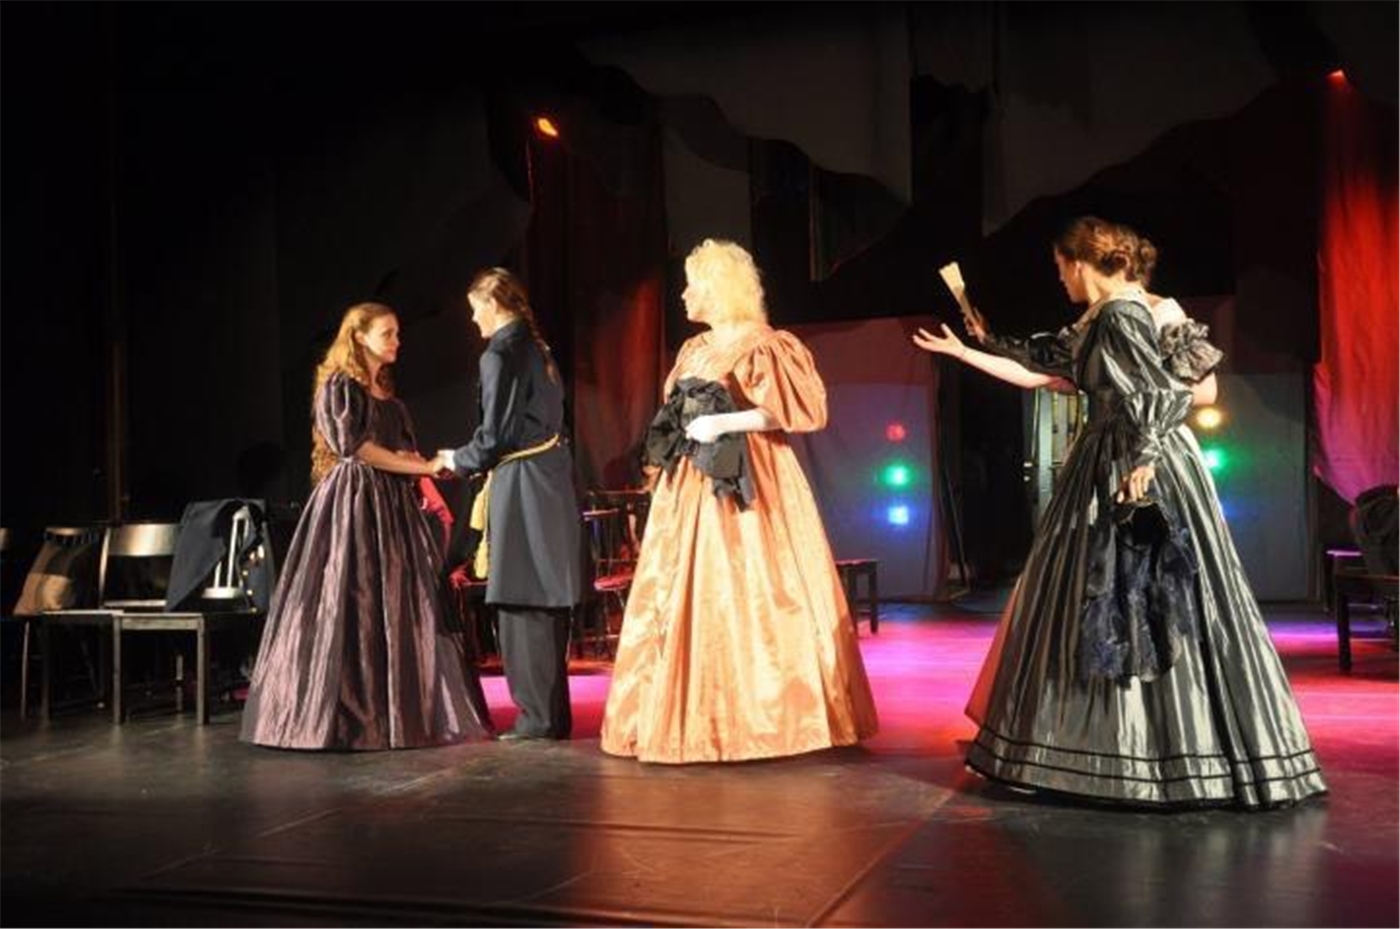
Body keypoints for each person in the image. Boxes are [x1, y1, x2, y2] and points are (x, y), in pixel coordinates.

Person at [912, 217, 1326, 808]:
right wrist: (970, 346)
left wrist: (1144, 453)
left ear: (1082, 262)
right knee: (1110, 591)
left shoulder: (1128, 314)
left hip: (1132, 454)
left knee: (1137, 589)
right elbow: (1044, 367)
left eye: (1061, 267)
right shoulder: (1100, 319)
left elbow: (1164, 392)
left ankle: (1155, 750)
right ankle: (1112, 745)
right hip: (1116, 449)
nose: (1060, 279)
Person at [600, 238, 879, 764]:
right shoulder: (693, 350)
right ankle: (692, 716)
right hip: (690, 484)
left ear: (717, 287)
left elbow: (795, 411)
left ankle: (766, 718)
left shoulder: (763, 344)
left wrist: (725, 421)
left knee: (754, 589)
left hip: (751, 478)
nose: (684, 295)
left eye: (692, 284)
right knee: (686, 593)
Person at [241, 302, 494, 750]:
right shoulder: (342, 386)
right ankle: (346, 718)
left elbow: (403, 453)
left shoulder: (390, 398)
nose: (397, 341)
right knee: (352, 600)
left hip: (394, 508)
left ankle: (398, 712)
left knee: (397, 605)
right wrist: (419, 467)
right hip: (355, 504)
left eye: (397, 333)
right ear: (359, 337)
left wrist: (434, 466)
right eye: (387, 334)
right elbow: (356, 448)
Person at [433, 269, 582, 742]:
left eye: (475, 307)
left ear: (494, 304)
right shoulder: (538, 348)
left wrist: (456, 459)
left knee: (521, 595)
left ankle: (535, 719)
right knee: (546, 599)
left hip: (522, 484)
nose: (473, 318)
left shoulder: (500, 353)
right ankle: (551, 716)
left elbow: (495, 435)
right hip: (550, 477)